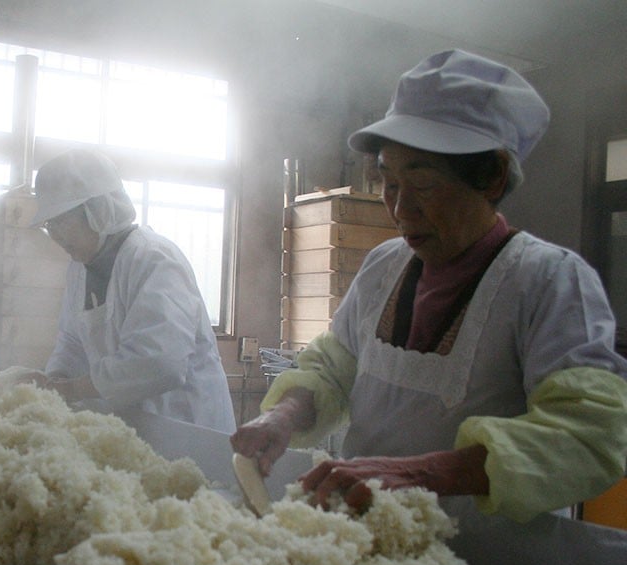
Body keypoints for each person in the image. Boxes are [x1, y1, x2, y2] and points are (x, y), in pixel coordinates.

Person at [232, 49, 627, 524]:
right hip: (368, 541)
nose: (400, 210)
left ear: (493, 177)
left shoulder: (549, 281)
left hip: (496, 563)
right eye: (389, 183)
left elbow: (588, 436)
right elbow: (333, 367)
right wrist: (284, 416)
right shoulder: (383, 267)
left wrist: (420, 473)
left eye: (422, 186)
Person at [27, 148, 236, 435]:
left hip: (188, 428)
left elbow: (160, 361)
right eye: (50, 225)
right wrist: (56, 379)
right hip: (136, 428)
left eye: (62, 221)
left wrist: (75, 389)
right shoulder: (80, 268)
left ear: (98, 211)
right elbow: (73, 340)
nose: (56, 235)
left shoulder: (154, 259)